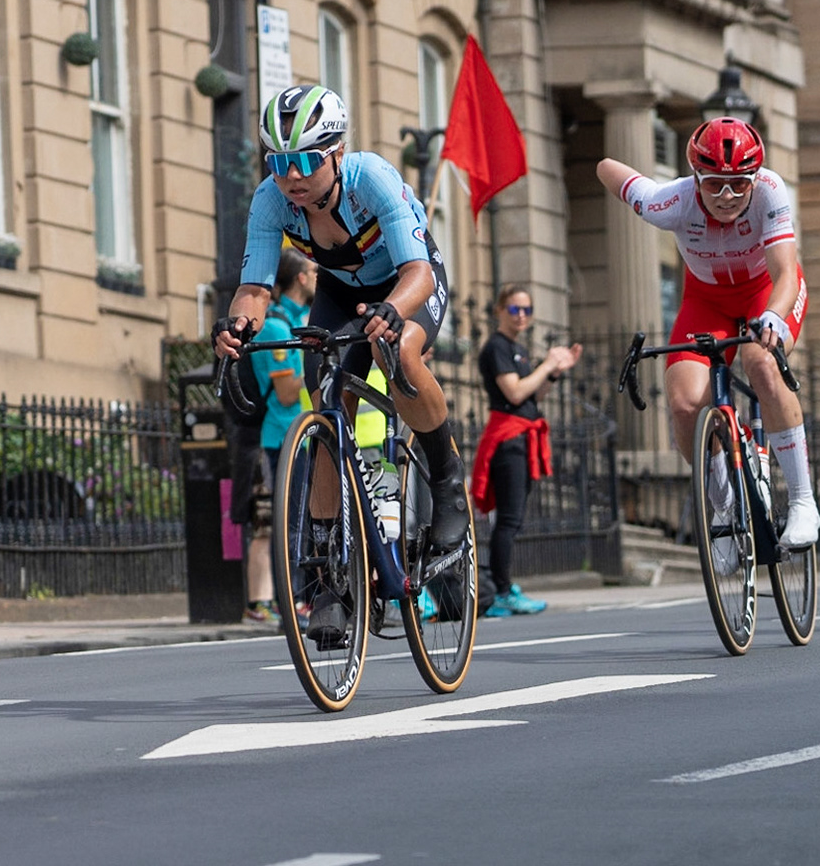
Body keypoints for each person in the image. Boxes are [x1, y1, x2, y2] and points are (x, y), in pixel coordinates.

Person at [214, 85, 465, 650]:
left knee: (395, 351)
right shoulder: (271, 200)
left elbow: (418, 273)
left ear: (337, 153)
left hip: (408, 282)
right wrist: (238, 326)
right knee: (326, 408)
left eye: (304, 161)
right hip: (341, 289)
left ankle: (446, 479)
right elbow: (254, 287)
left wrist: (392, 311)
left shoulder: (370, 178)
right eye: (278, 163)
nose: (291, 177)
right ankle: (331, 580)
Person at [597, 117, 818, 554]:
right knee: (683, 403)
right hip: (707, 301)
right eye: (715, 184)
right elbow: (606, 166)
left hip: (765, 292)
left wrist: (774, 316)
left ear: (755, 178)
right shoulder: (671, 202)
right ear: (696, 176)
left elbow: (785, 273)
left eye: (739, 184)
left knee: (761, 365)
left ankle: (802, 500)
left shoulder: (770, 190)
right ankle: (723, 508)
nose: (728, 196)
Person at [473, 285, 581, 617]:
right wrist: (547, 363)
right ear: (499, 311)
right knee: (508, 518)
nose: (521, 316)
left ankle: (503, 586)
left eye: (527, 310)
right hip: (509, 438)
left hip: (522, 435)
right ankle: (501, 591)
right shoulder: (496, 347)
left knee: (513, 518)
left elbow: (534, 396)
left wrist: (554, 373)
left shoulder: (516, 349)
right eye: (515, 309)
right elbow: (515, 392)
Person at [238, 249, 316, 623]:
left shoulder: (302, 319)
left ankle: (307, 596)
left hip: (307, 435)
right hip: (281, 439)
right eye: (313, 269)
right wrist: (317, 363)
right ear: (300, 278)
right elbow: (286, 393)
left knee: (310, 519)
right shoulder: (275, 328)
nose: (318, 275)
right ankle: (293, 600)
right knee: (290, 522)